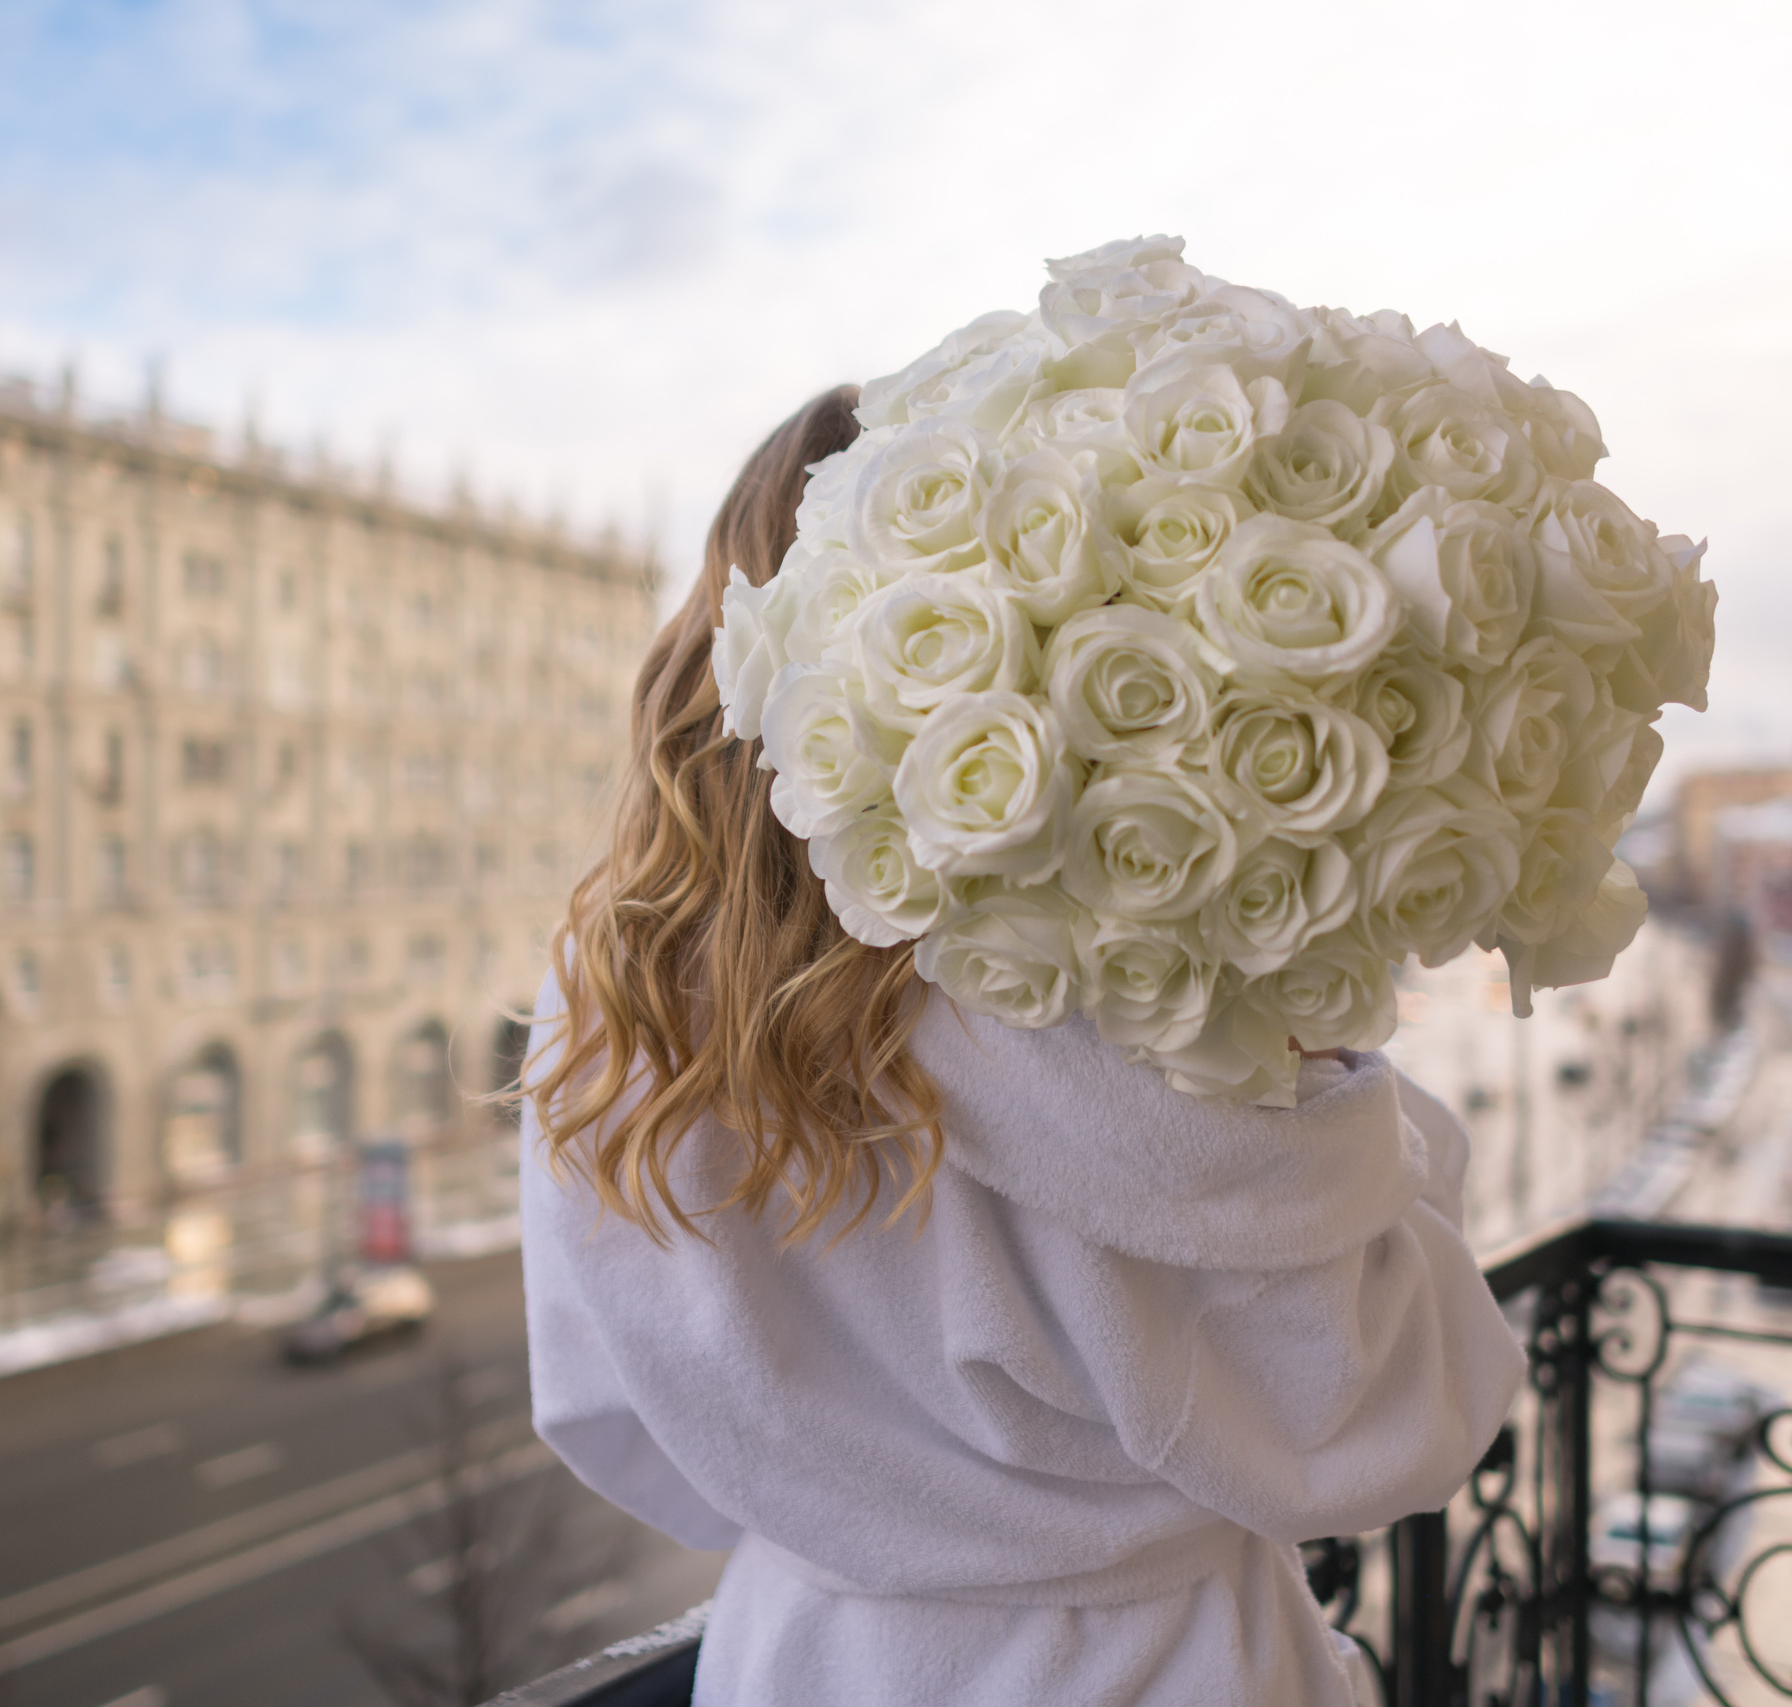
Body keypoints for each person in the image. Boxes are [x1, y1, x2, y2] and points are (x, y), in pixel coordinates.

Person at [520, 386, 1526, 1706]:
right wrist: (1323, 1070)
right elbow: (1386, 1413)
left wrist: (871, 1510)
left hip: (811, 1658)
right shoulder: (1117, 999)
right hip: (1160, 1670)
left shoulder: (616, 995)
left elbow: (606, 1416)